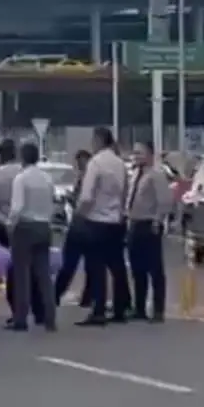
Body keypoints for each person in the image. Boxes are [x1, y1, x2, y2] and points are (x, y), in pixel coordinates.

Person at [74, 127, 129, 326]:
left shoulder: (95, 163)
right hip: (115, 220)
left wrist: (81, 213)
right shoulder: (120, 163)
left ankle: (98, 310)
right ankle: (121, 308)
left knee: (96, 267)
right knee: (117, 265)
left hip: (96, 220)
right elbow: (125, 193)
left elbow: (87, 195)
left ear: (98, 140)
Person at [6, 141, 56, 332]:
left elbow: (17, 207)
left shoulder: (21, 178)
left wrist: (10, 224)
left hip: (25, 227)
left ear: (22, 157)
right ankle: (49, 317)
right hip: (44, 226)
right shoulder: (47, 178)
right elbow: (52, 204)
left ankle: (21, 318)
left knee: (22, 275)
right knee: (44, 275)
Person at [125, 142, 173, 322]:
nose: (136, 156)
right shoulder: (137, 174)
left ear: (150, 155)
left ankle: (158, 310)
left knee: (155, 268)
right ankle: (139, 308)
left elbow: (166, 201)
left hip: (149, 224)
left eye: (140, 153)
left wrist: (158, 220)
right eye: (134, 153)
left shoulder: (156, 175)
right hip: (135, 223)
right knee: (137, 269)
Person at [53, 149, 93, 307]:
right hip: (87, 225)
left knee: (70, 263)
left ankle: (56, 294)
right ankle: (87, 298)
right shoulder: (84, 178)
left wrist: (72, 200)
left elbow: (83, 201)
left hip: (80, 225)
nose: (79, 166)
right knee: (87, 265)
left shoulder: (87, 179)